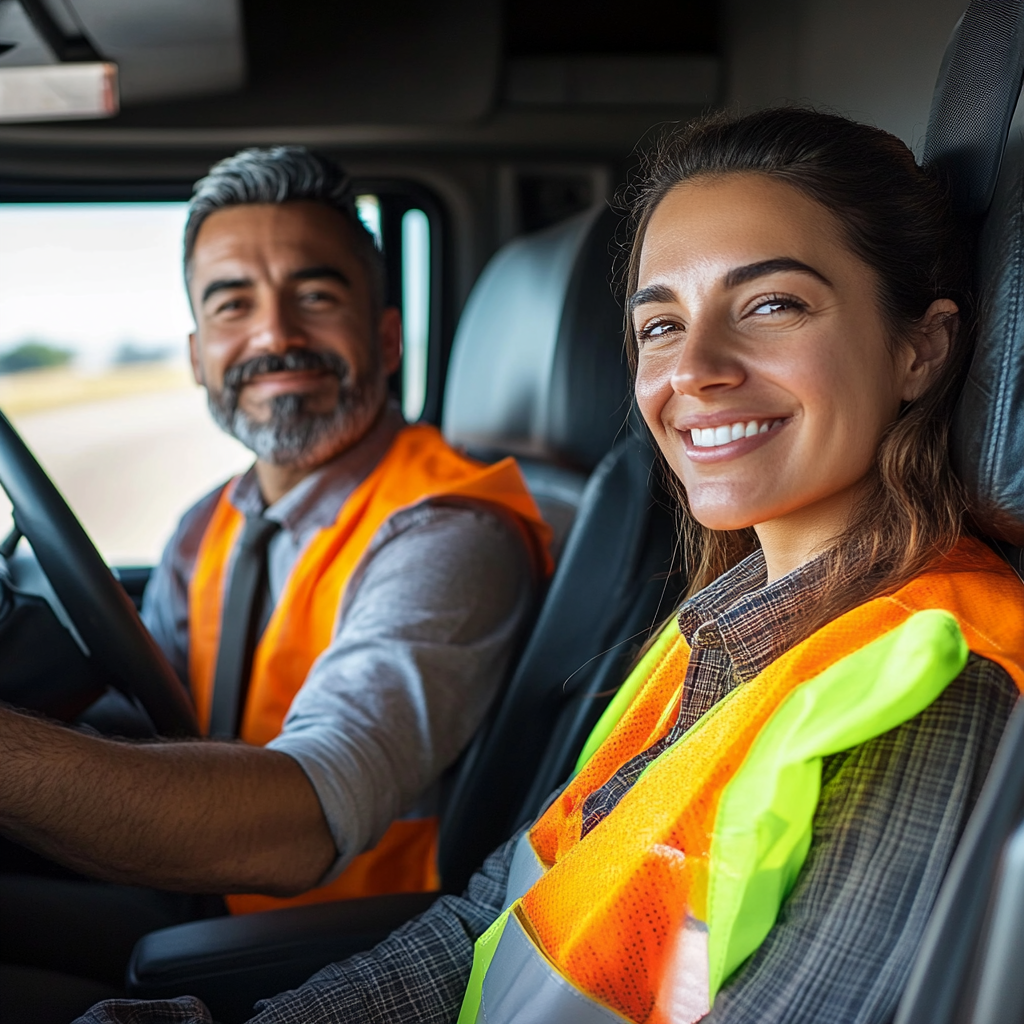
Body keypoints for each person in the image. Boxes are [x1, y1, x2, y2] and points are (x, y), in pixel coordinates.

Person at [79, 107, 1024, 1024]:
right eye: (659, 325)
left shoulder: (929, 681)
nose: (693, 369)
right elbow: (495, 914)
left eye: (771, 304)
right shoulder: (715, 631)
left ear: (921, 349)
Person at [0, 147, 550, 997]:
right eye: (232, 305)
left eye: (317, 296)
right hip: (204, 887)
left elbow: (303, 825)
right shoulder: (210, 522)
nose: (274, 335)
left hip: (330, 959)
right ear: (195, 354)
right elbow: (157, 706)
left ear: (387, 335)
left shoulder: (446, 532)